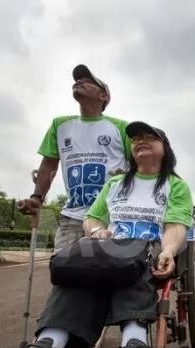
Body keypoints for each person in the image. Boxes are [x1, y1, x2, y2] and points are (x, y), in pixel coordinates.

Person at [0, 121, 193, 348]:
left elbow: (176, 226)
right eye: (135, 139)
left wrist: (168, 250)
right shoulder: (116, 183)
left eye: (149, 138)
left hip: (148, 247)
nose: (140, 141)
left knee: (131, 265)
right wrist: (97, 231)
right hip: (109, 246)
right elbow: (93, 218)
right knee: (77, 270)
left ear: (165, 148)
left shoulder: (174, 185)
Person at [18, 64, 131, 251]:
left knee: (108, 274)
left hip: (112, 215)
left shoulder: (121, 128)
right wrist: (37, 197)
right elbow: (48, 164)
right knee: (63, 270)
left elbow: (141, 166)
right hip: (73, 216)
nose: (79, 82)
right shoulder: (60, 125)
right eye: (78, 80)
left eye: (88, 81)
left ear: (103, 95)